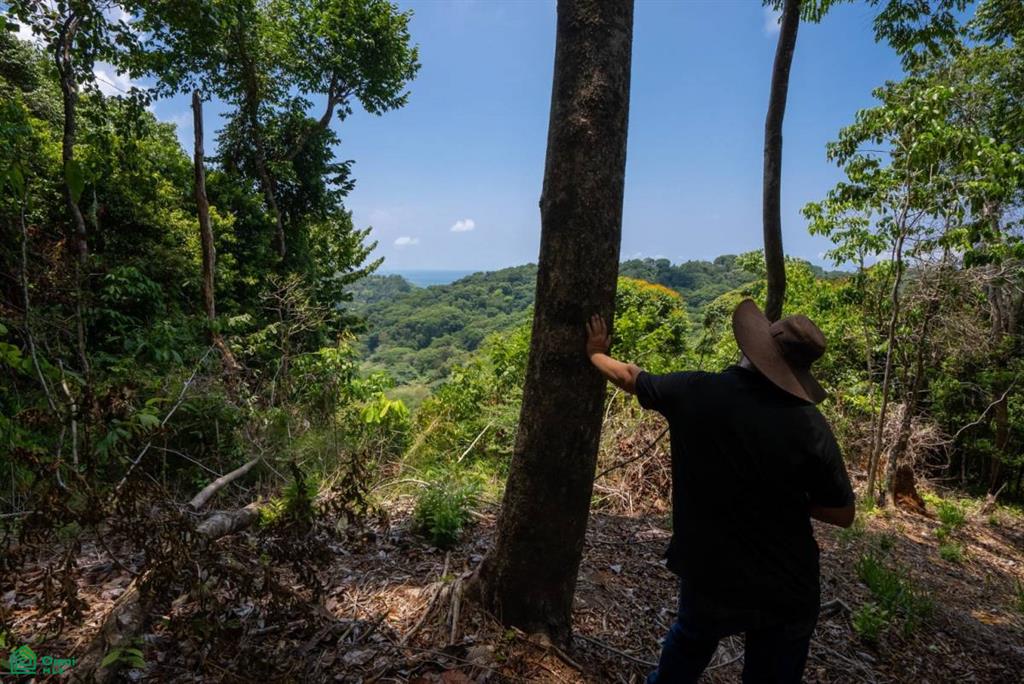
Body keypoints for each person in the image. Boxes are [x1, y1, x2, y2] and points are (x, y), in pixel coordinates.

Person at [585, 298, 855, 684]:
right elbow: (843, 514)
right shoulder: (810, 425)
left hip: (712, 571)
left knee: (685, 654)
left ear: (751, 347)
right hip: (788, 582)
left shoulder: (697, 392)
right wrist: (785, 495)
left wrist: (595, 353)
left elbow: (630, 377)